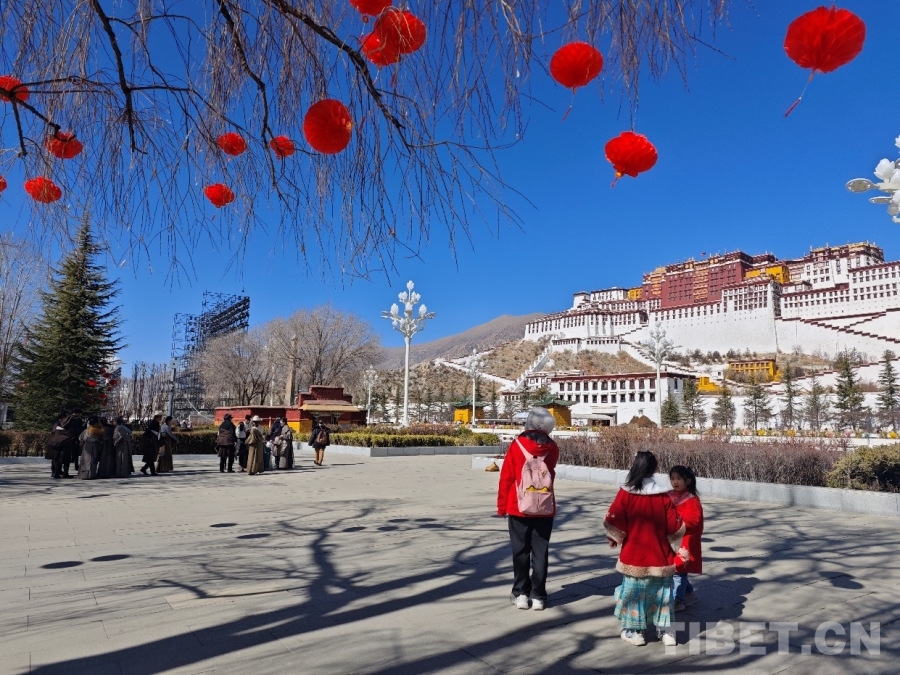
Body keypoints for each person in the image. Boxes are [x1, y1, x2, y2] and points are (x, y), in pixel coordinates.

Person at [604, 451, 684, 647]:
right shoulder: (663, 496)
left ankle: (635, 632)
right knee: (662, 594)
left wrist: (614, 538)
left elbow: (614, 518)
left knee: (634, 594)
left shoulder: (626, 493)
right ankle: (666, 631)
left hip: (634, 554)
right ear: (655, 468)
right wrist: (677, 547)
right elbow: (674, 526)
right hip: (660, 555)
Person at [496, 407, 559, 611]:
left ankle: (521, 594)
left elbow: (507, 477)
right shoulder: (553, 447)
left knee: (520, 550)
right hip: (544, 505)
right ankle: (539, 596)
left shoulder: (517, 445)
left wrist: (502, 505)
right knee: (541, 551)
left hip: (518, 506)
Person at [668, 465, 703, 612]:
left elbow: (694, 519)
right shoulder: (669, 495)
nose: (675, 482)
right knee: (676, 571)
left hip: (684, 541)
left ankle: (678, 601)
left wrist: (676, 519)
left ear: (687, 481)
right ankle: (689, 594)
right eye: (672, 478)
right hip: (671, 540)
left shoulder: (692, 499)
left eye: (678, 478)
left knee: (679, 571)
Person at [47, 409, 83, 479]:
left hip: (58, 440)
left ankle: (56, 473)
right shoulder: (77, 420)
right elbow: (78, 431)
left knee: (57, 457)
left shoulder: (62, 420)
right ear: (78, 413)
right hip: (68, 440)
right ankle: (65, 474)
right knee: (67, 457)